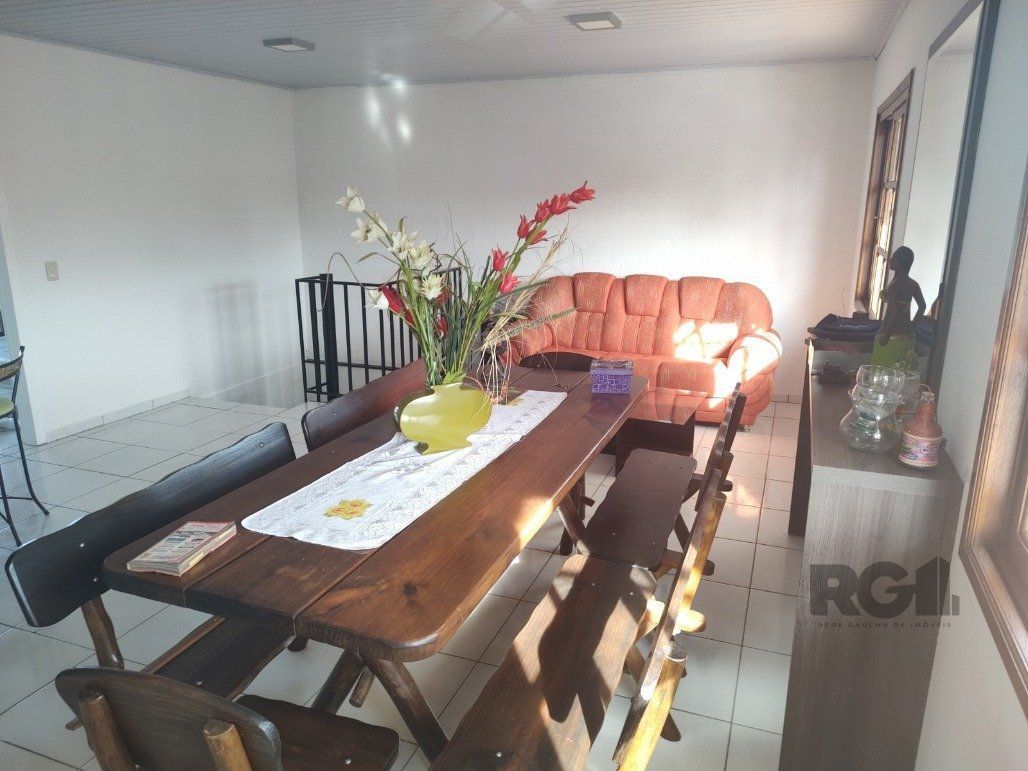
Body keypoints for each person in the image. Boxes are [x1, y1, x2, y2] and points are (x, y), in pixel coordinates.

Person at [872, 246, 926, 368]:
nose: (890, 260)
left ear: (900, 263)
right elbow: (922, 306)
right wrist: (912, 326)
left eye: (894, 258)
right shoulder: (913, 284)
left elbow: (895, 311)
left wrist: (886, 334)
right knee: (903, 371)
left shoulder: (894, 286)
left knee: (884, 370)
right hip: (908, 334)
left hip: (890, 335)